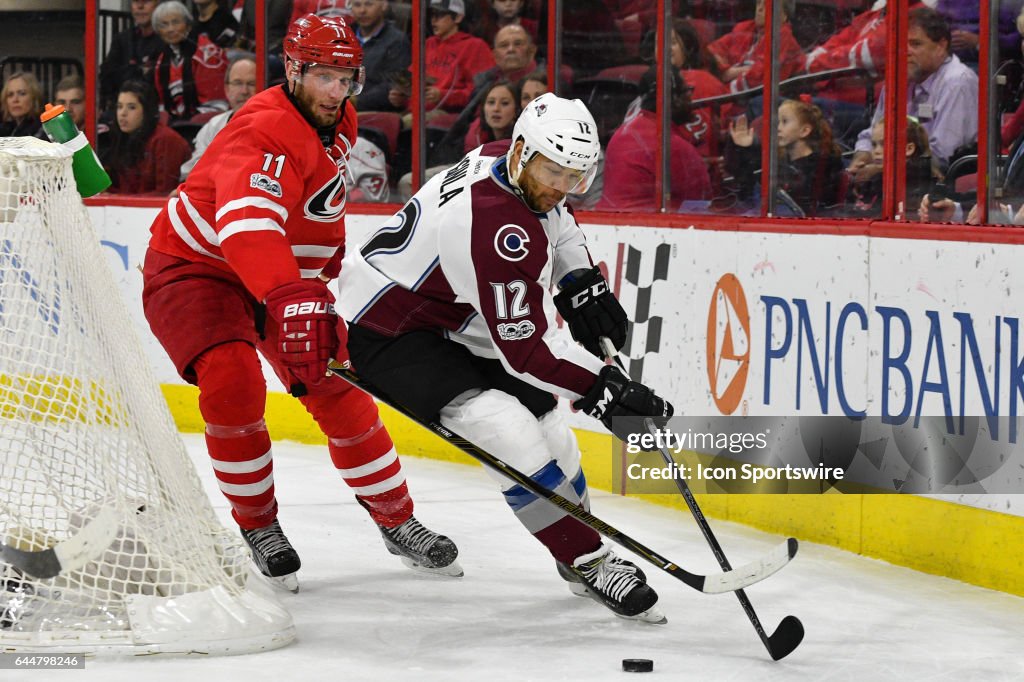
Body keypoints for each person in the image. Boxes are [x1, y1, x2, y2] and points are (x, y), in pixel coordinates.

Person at [141, 14, 460, 589]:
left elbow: (315, 209)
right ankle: (258, 524)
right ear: (292, 70)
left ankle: (397, 519)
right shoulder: (261, 128)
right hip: (195, 268)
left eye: (348, 79)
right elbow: (247, 224)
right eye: (325, 79)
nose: (338, 92)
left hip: (280, 278)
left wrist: (322, 281)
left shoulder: (337, 119)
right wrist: (291, 298)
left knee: (338, 383)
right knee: (233, 378)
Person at [337, 93, 673, 623]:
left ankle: (577, 550)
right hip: (388, 324)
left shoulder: (508, 160)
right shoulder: (493, 229)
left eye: (574, 176)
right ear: (522, 153)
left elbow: (558, 220)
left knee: (549, 423)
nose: (559, 187)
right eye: (552, 172)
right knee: (503, 425)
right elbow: (527, 350)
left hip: (451, 312)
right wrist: (603, 389)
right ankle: (590, 560)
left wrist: (580, 279)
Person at [851, 7, 978, 171]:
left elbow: (942, 156)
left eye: (915, 44)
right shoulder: (898, 78)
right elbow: (873, 134)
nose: (906, 51)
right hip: (894, 171)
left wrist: (881, 170)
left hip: (937, 184)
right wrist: (861, 158)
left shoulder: (958, 83)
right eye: (902, 43)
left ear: (941, 46)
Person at [598, 68, 711, 211]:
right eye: (686, 91)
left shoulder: (625, 131)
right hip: (646, 227)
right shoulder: (672, 145)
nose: (690, 99)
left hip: (610, 224)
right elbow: (700, 202)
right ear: (673, 99)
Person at [726, 96, 844, 217]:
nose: (778, 128)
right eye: (777, 122)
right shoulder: (779, 161)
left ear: (804, 131)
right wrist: (745, 148)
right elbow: (745, 188)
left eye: (785, 122)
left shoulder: (822, 167)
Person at [100, 80, 192, 195]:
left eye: (132, 107)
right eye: (119, 107)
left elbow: (164, 194)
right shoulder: (123, 138)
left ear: (147, 110)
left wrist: (117, 198)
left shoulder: (165, 140)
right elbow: (125, 190)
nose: (122, 113)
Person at [180, 57, 259, 180]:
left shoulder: (274, 126)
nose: (244, 91)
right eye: (237, 83)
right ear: (227, 89)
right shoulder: (213, 126)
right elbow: (192, 171)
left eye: (251, 84)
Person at [152, 1, 230, 122]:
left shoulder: (207, 53)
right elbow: (162, 103)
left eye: (176, 22)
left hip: (207, 121)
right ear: (158, 31)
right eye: (164, 25)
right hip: (176, 122)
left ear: (188, 25)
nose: (170, 29)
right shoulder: (161, 60)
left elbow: (216, 104)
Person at [847, 116, 938, 218]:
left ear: (908, 148)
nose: (876, 151)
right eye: (874, 145)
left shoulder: (912, 182)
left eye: (884, 144)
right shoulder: (877, 179)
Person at [707, 0, 803, 93]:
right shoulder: (745, 28)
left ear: (784, 16)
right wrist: (738, 71)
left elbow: (760, 77)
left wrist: (729, 73)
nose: (759, 9)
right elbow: (711, 51)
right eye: (758, 3)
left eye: (766, 5)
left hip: (759, 101)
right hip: (732, 94)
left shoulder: (783, 36)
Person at [425, 0, 495, 113]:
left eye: (440, 14)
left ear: (458, 17)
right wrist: (401, 96)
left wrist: (443, 95)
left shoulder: (475, 46)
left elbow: (480, 92)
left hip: (451, 114)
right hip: (418, 110)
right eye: (432, 14)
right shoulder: (429, 43)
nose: (434, 20)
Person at [99, 0, 164, 110]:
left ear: (158, 4)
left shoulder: (167, 39)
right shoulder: (121, 40)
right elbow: (106, 79)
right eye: (135, 1)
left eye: (146, 1)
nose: (140, 6)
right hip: (121, 110)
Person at [350, 0, 411, 112]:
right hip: (341, 107)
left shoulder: (397, 41)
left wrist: (355, 102)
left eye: (369, 4)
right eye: (357, 5)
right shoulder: (345, 37)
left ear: (384, 6)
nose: (362, 11)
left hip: (374, 111)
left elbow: (393, 85)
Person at [463, 79, 519, 152]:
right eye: (491, 102)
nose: (496, 109)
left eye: (504, 103)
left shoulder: (520, 143)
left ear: (516, 110)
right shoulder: (476, 135)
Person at [0, 71, 44, 138]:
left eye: (22, 93)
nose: (15, 100)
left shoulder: (44, 128)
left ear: (34, 97)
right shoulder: (6, 129)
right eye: (10, 95)